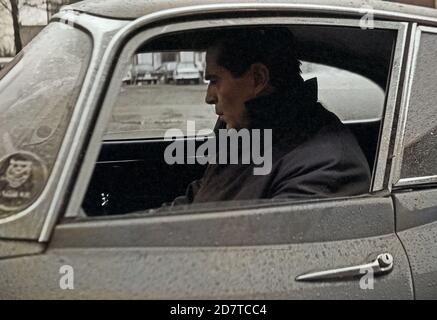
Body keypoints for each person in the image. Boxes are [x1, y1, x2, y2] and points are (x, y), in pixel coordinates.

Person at [171, 28, 371, 205]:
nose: (208, 97)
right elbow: (202, 195)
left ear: (258, 78)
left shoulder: (326, 166)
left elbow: (263, 242)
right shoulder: (247, 130)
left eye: (214, 80)